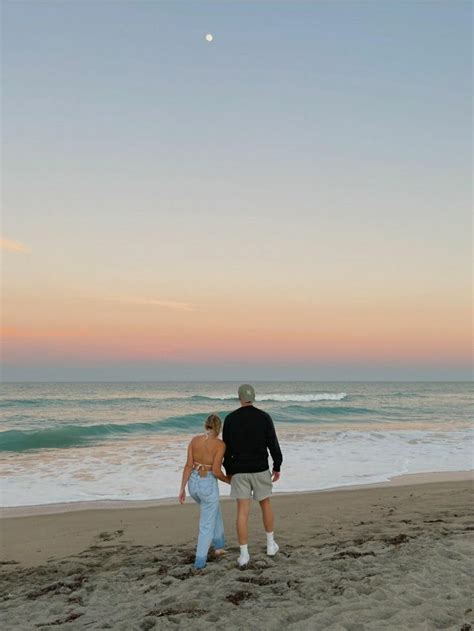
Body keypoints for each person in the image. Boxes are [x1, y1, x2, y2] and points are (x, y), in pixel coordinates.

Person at [223, 384, 283, 567]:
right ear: (253, 397)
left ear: (239, 398)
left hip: (239, 471)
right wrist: (277, 465)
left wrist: (229, 470)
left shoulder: (231, 419)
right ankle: (270, 545)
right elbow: (273, 443)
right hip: (259, 468)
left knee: (242, 512)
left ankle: (244, 555)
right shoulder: (264, 417)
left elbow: (226, 448)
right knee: (265, 505)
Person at [178, 413, 230, 569]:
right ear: (219, 428)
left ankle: (219, 546)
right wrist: (229, 480)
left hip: (193, 484)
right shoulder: (220, 445)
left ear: (205, 425)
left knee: (214, 510)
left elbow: (188, 465)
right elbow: (216, 470)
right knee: (206, 524)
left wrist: (182, 488)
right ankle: (199, 562)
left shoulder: (194, 441)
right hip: (207, 484)